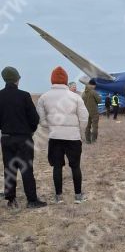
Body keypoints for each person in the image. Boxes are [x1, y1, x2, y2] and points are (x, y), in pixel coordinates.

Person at [37, 66, 89, 204]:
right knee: (75, 166)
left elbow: (41, 120)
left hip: (55, 137)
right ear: (66, 80)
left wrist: (52, 127)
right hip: (73, 137)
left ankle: (58, 197)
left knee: (57, 167)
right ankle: (78, 196)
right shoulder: (75, 97)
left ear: (52, 80)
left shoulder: (44, 97)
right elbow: (84, 117)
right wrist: (80, 131)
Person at [0, 66, 46, 209]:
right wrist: (30, 131)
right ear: (16, 79)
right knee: (26, 169)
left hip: (6, 138)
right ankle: (32, 200)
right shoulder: (24, 96)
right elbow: (34, 118)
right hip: (23, 138)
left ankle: (11, 199)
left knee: (9, 169)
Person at [82, 78, 101, 143]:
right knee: (94, 126)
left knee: (87, 126)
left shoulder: (83, 93)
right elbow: (99, 101)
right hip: (94, 112)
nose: (95, 87)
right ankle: (94, 139)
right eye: (95, 86)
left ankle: (87, 140)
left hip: (86, 112)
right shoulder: (93, 92)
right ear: (93, 85)